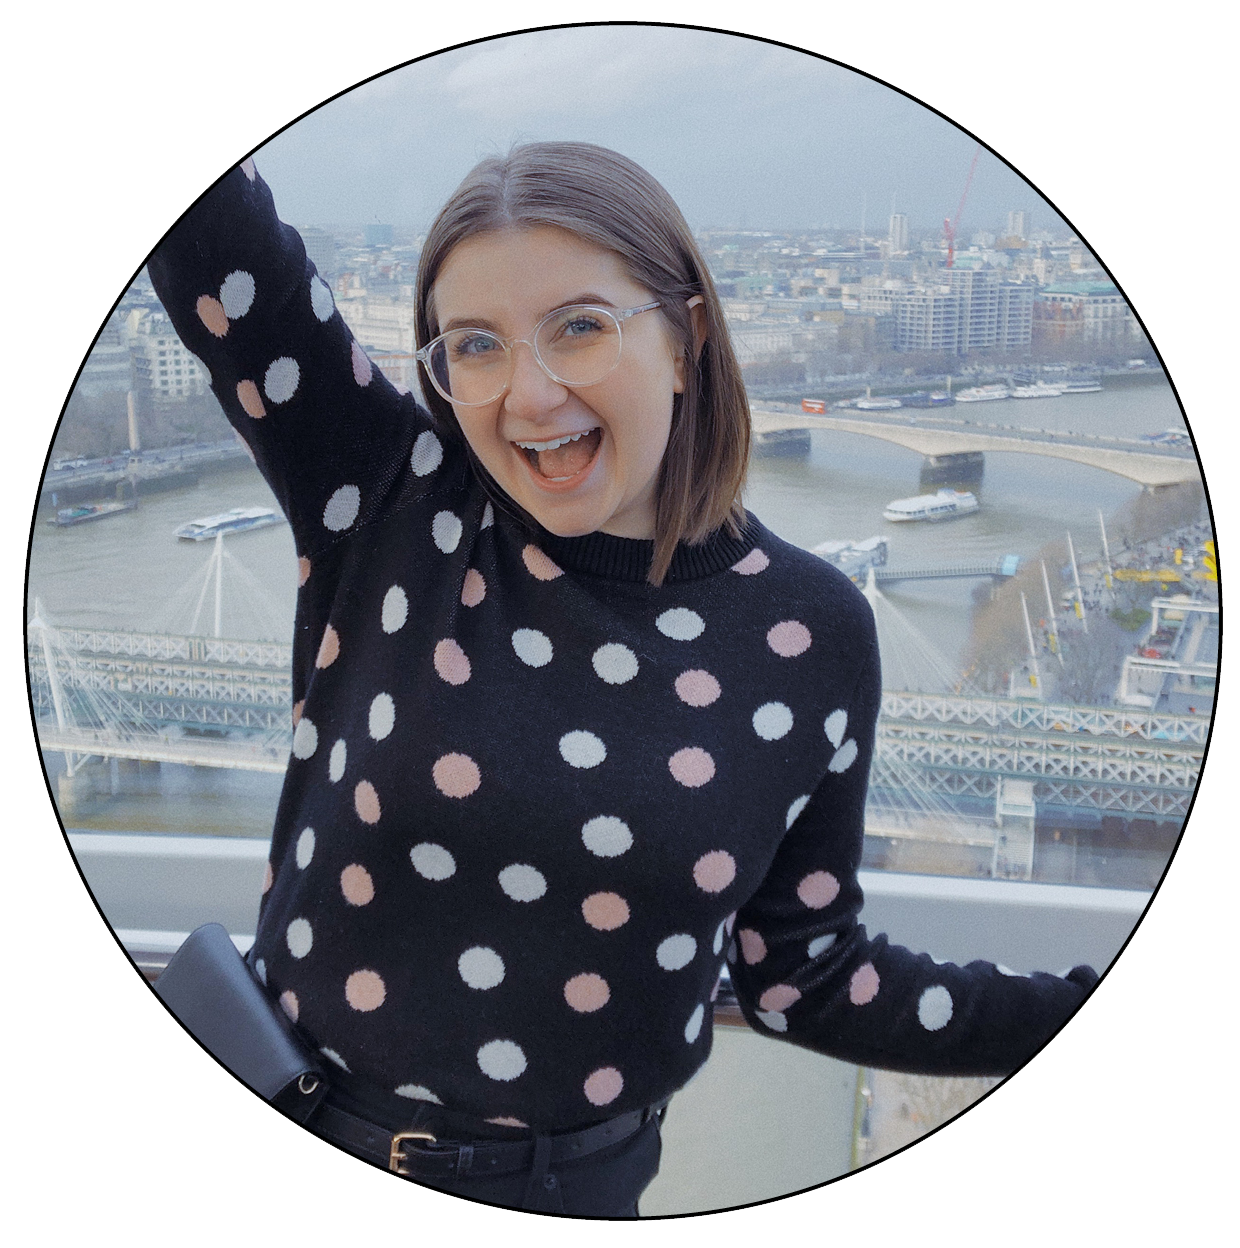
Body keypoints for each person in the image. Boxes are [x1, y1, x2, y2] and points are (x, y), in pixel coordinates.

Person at [146, 141, 1097, 1218]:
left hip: (575, 1191)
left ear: (688, 339)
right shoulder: (390, 508)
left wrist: (1090, 1017)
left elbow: (803, 979)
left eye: (580, 326)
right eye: (475, 346)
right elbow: (210, 234)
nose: (530, 394)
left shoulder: (810, 631)